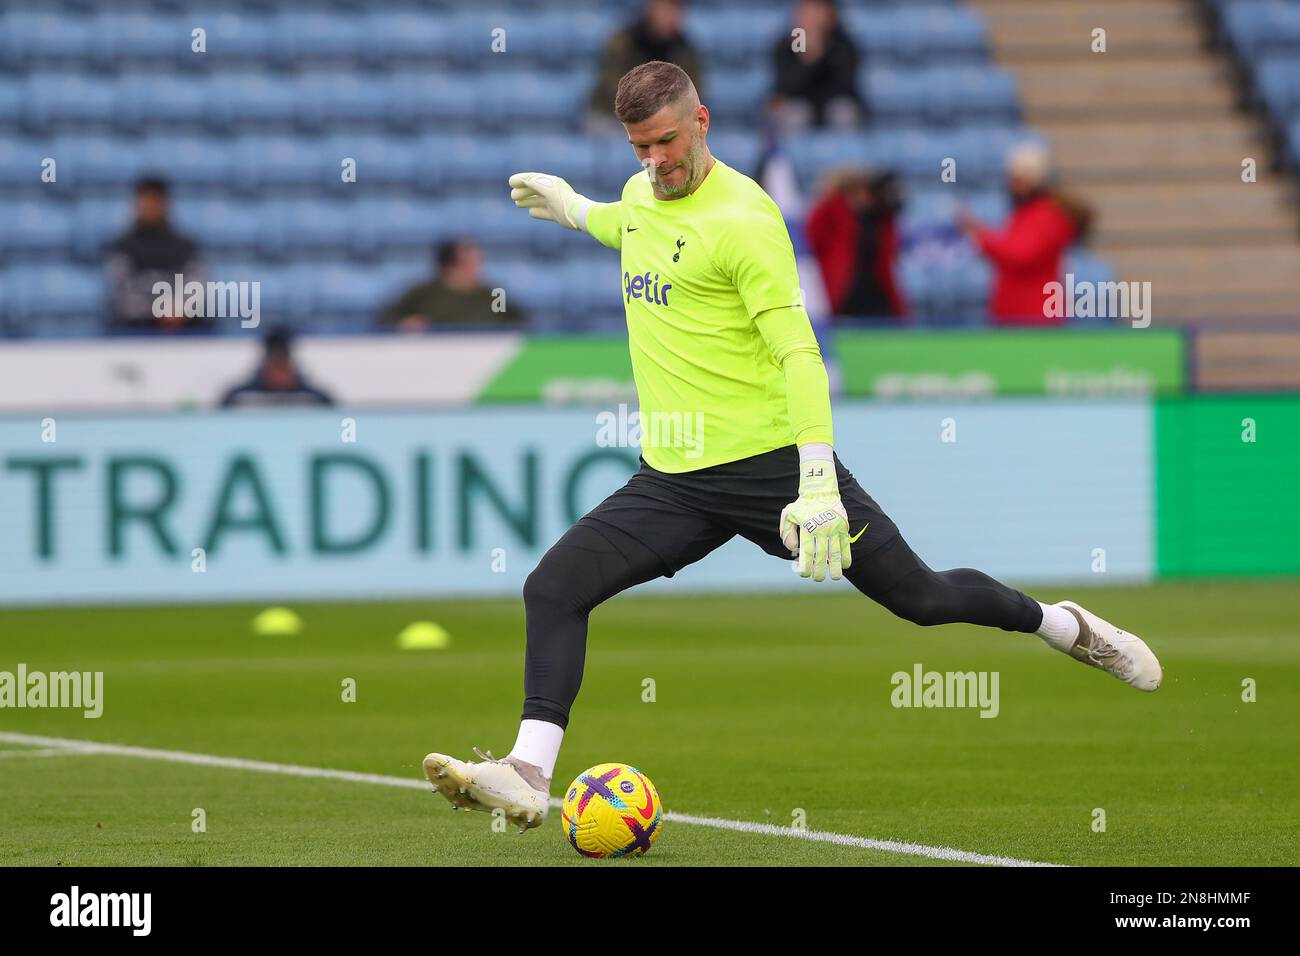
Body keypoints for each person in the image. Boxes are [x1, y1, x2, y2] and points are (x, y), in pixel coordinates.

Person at [423, 62, 1161, 834]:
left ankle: (1063, 626)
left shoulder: (746, 219)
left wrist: (815, 481)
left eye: (667, 143)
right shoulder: (643, 195)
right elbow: (627, 223)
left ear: (702, 120)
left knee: (923, 598)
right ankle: (529, 773)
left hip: (775, 467)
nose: (655, 162)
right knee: (552, 588)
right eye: (640, 148)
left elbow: (800, 355)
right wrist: (576, 208)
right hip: (673, 479)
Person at [959, 144, 1083, 325]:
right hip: (1017, 314)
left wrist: (981, 237)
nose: (1011, 186)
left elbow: (1021, 255)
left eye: (1017, 181)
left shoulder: (1046, 216)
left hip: (1034, 316)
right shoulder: (1027, 213)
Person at [586, 0, 703, 134]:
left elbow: (692, 90)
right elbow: (613, 86)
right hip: (613, 115)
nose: (670, 16)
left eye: (675, 11)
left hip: (664, 120)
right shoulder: (625, 42)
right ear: (651, 10)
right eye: (665, 9)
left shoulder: (684, 50)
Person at [105, 176, 206, 332]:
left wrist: (178, 311)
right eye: (146, 201)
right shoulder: (122, 248)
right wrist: (158, 311)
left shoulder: (185, 247)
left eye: (155, 201)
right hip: (135, 332)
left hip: (183, 332)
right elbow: (121, 292)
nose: (150, 207)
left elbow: (197, 286)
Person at [805, 168, 905, 318]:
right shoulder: (830, 211)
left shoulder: (881, 219)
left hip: (875, 294)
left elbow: (886, 264)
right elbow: (812, 243)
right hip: (841, 292)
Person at [379, 239, 526, 331]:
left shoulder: (493, 294)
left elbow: (516, 320)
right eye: (470, 264)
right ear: (450, 267)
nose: (478, 269)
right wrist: (405, 323)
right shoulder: (424, 293)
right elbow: (387, 318)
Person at [768, 0, 864, 132]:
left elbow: (845, 85)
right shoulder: (795, 42)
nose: (810, 17)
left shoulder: (842, 43)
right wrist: (810, 58)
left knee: (844, 111)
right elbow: (787, 85)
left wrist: (822, 52)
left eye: (815, 11)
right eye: (806, 12)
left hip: (831, 105)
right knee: (794, 112)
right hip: (802, 105)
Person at [220, 327, 334, 408]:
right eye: (274, 362)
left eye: (282, 362)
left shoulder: (316, 399)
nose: (278, 371)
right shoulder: (238, 397)